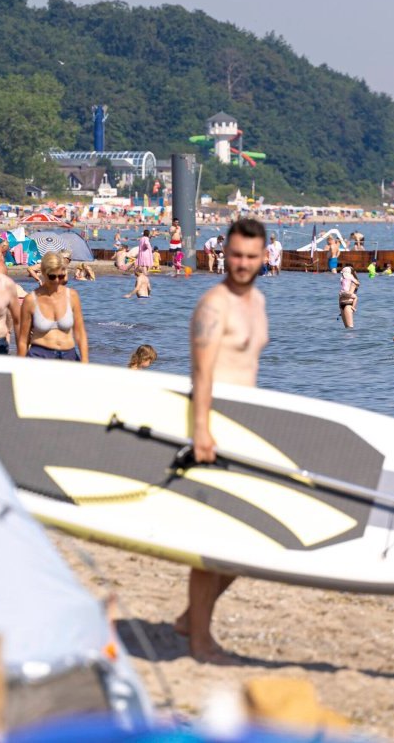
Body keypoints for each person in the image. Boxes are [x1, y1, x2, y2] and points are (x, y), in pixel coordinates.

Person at [178, 218, 270, 664]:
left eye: (252, 256)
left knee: (250, 547)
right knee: (215, 542)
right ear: (225, 253)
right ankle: (198, 641)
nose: (243, 264)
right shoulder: (214, 305)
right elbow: (203, 372)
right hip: (214, 428)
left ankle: (188, 620)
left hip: (247, 429)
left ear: (264, 256)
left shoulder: (258, 302)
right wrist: (201, 429)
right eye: (236, 255)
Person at [16, 252, 87, 361]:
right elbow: (23, 340)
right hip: (40, 355)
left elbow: (80, 333)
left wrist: (85, 361)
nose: (57, 281)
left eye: (61, 276)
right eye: (52, 277)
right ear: (43, 273)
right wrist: (20, 367)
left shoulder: (72, 296)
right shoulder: (31, 300)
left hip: (69, 355)